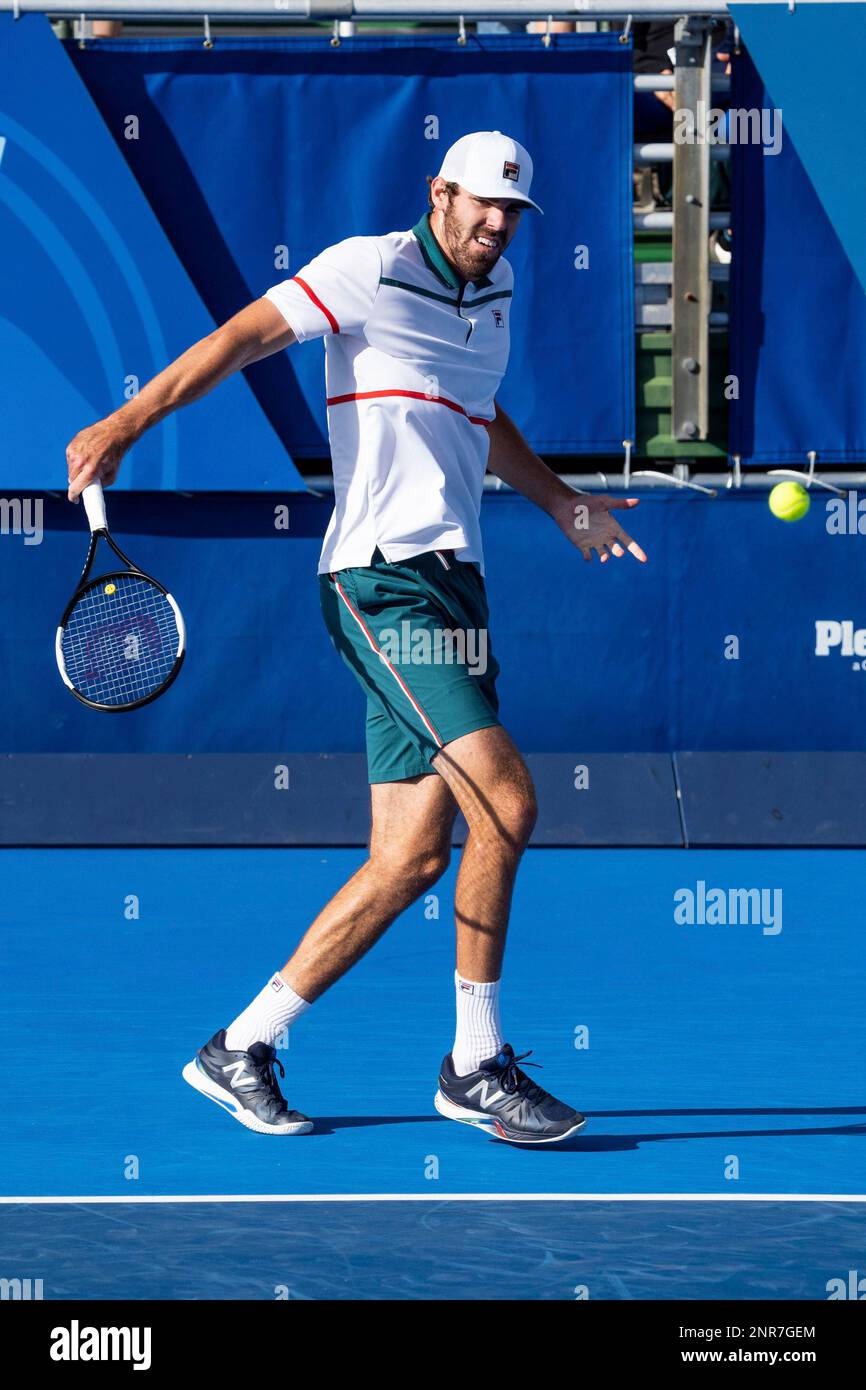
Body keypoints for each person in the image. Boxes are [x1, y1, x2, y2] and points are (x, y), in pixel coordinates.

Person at [66, 131, 647, 1146]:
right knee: (506, 802)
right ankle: (474, 1064)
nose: (494, 225)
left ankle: (239, 1046)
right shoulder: (365, 268)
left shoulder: (495, 291)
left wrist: (559, 503)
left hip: (457, 587)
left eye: (512, 213)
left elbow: (478, 413)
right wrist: (130, 420)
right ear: (438, 192)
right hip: (381, 584)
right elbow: (240, 338)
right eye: (479, 205)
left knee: (411, 859)